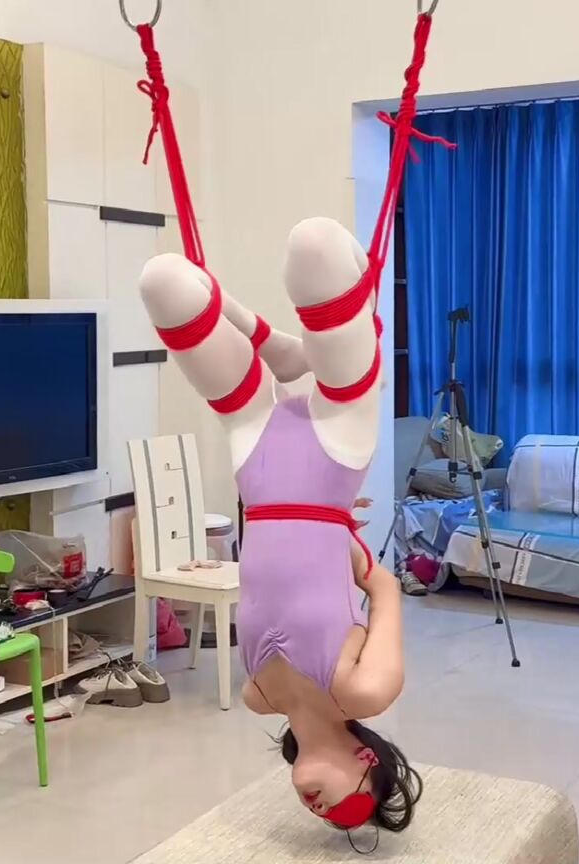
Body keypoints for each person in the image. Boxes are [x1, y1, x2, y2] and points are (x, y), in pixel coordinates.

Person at [139, 216, 423, 840]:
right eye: (348, 808)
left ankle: (277, 346)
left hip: (259, 466)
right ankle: (303, 346)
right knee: (315, 244)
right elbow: (385, 590)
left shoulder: (259, 698)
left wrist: (326, 540)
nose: (323, 810)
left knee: (163, 283)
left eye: (321, 818)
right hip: (333, 458)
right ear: (367, 762)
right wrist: (341, 536)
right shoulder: (366, 692)